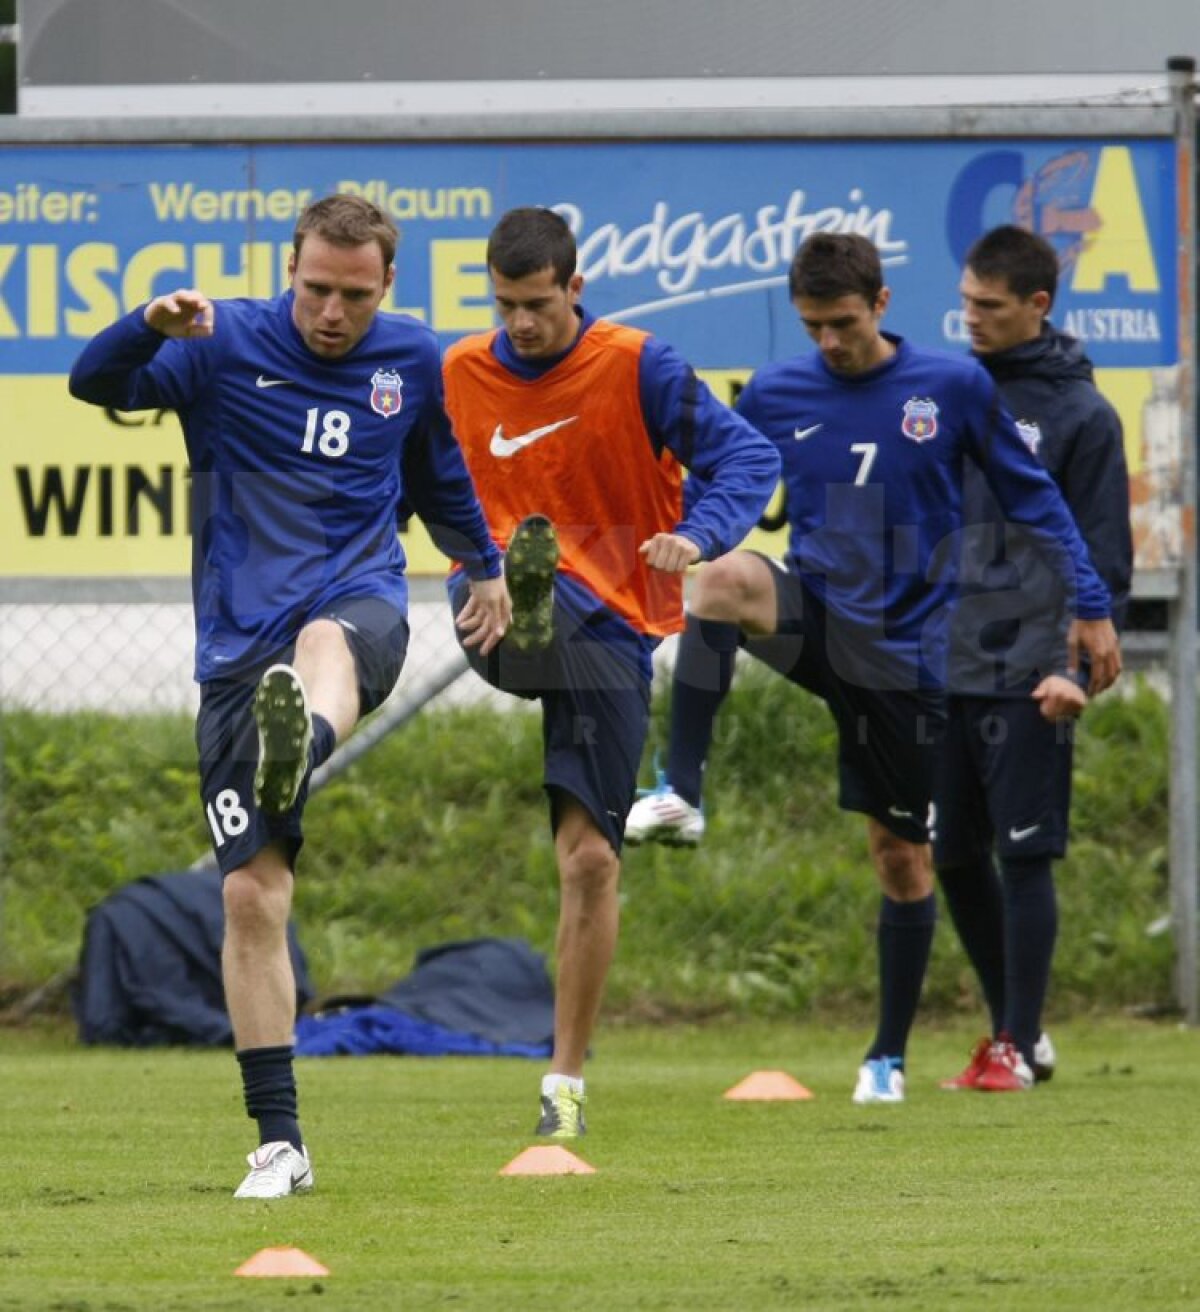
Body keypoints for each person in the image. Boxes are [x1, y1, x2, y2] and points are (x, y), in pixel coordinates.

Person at [68, 193, 509, 1198]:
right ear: (290, 273)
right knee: (250, 896)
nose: (332, 312)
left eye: (354, 294)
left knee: (325, 640)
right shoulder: (218, 344)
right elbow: (94, 380)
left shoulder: (412, 359)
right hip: (234, 650)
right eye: (316, 289)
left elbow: (438, 471)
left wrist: (481, 566)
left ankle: (302, 736)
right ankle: (280, 1141)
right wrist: (147, 322)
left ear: (386, 285)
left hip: (355, 605)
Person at [623, 232, 1120, 1103]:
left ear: (881, 306)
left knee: (901, 855)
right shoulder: (778, 390)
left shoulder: (952, 387)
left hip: (912, 657)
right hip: (821, 616)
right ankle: (681, 792)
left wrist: (1088, 601)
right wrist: (696, 529)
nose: (831, 342)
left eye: (844, 322)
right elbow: (733, 481)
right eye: (813, 324)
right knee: (723, 582)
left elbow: (1031, 496)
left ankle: (886, 1056)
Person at [443, 206, 780, 1139]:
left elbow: (748, 454)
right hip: (491, 608)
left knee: (590, 861)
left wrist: (701, 534)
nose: (520, 324)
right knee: (512, 593)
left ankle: (564, 1087)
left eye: (538, 304)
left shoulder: (639, 366)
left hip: (615, 633)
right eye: (505, 304)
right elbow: (402, 478)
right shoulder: (456, 371)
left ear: (575, 288)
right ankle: (523, 583)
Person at [936, 225, 1132, 1092]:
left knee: (1024, 855)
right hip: (942, 657)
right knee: (949, 855)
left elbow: (1104, 555)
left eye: (989, 306)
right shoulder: (945, 390)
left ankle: (1014, 1042)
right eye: (965, 301)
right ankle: (1019, 1032)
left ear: (1037, 306)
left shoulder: (1083, 416)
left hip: (1033, 664)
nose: (969, 318)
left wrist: (1076, 667)